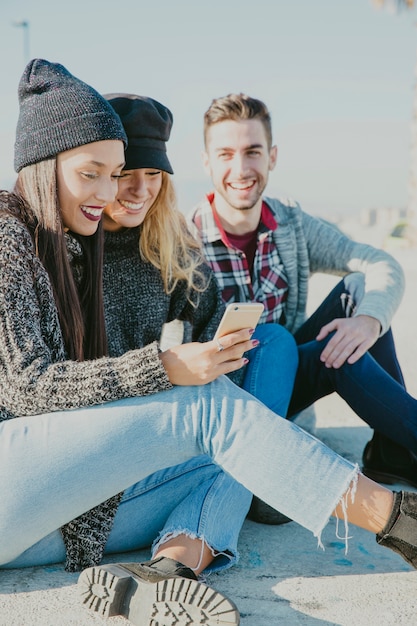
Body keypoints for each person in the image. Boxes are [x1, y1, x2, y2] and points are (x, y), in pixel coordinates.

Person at [2, 63, 417, 626]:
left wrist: (218, 345)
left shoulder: (108, 242)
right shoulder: (11, 236)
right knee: (211, 415)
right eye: (94, 174)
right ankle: (400, 520)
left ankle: (169, 570)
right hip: (19, 480)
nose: (114, 191)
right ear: (44, 165)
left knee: (232, 444)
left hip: (53, 513)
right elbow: (26, 387)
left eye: (120, 173)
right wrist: (166, 367)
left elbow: (209, 317)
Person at [189, 92, 416, 495]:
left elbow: (381, 264)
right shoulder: (183, 242)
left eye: (252, 152)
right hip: (227, 404)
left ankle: (394, 452)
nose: (240, 169)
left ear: (272, 157)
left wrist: (369, 320)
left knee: (357, 295)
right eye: (225, 154)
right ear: (206, 162)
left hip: (287, 382)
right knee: (330, 351)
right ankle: (394, 453)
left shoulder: (291, 222)